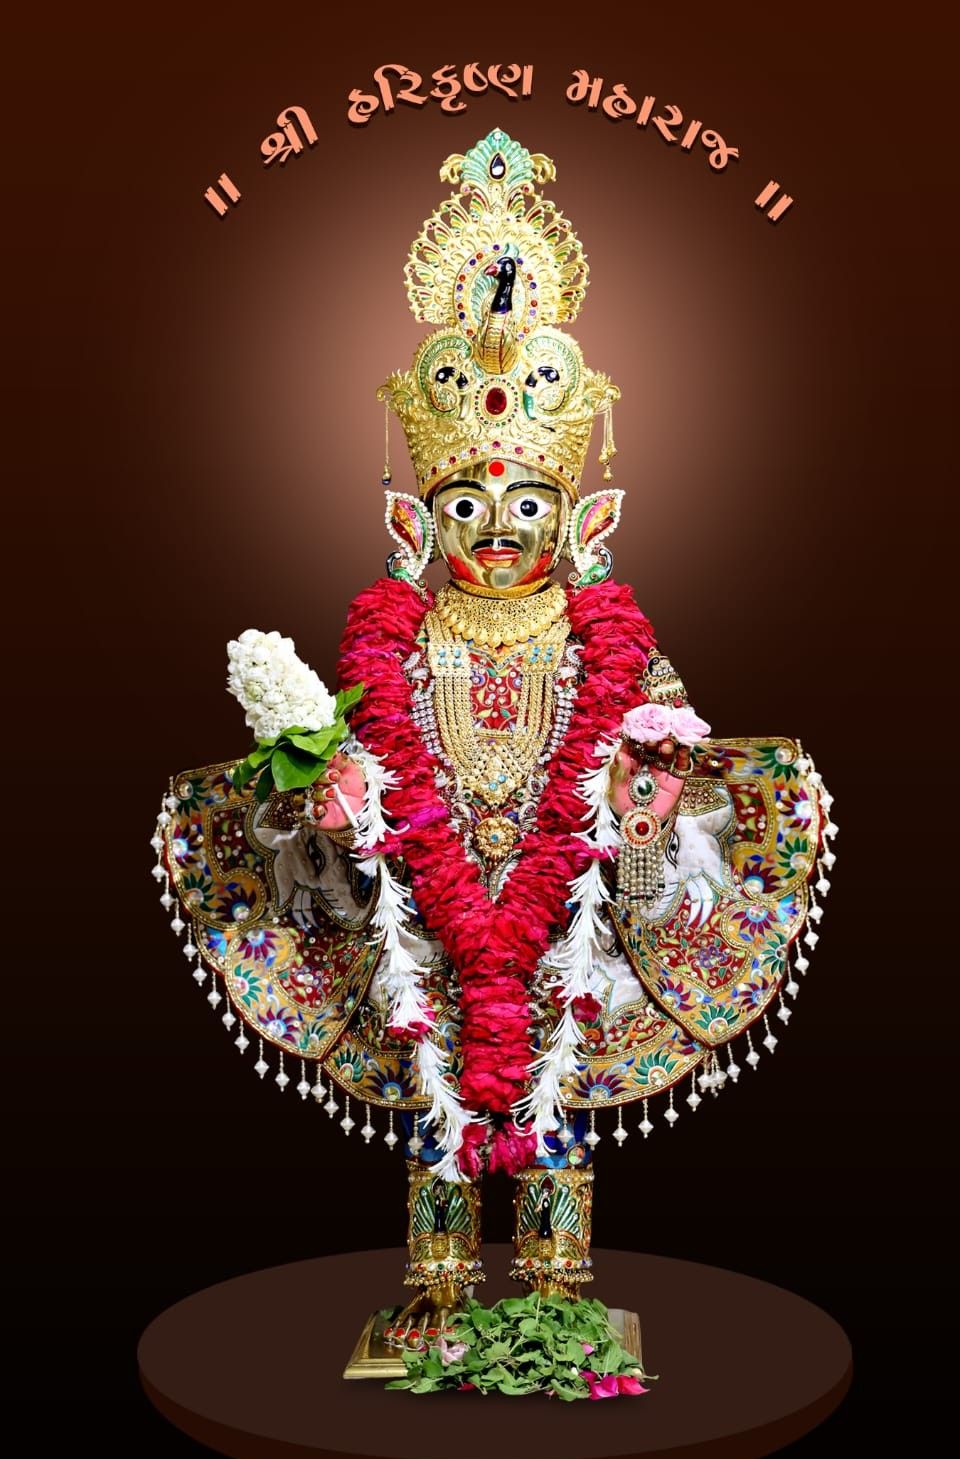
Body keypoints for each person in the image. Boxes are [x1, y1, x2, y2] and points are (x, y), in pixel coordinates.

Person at [154, 128, 833, 1354]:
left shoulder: (613, 631)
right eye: (468, 507)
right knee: (435, 1069)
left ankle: (562, 1285)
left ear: (586, 518)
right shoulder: (392, 638)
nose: (501, 532)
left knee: (558, 1068)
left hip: (571, 891)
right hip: (426, 893)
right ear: (415, 518)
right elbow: (330, 762)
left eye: (530, 507)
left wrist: (650, 803)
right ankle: (439, 1280)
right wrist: (336, 804)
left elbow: (681, 763)